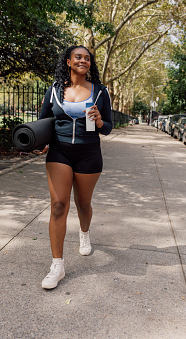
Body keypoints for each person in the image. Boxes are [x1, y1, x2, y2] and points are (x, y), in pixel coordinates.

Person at [38, 45, 113, 289]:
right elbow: (43, 120)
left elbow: (108, 127)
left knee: (83, 203)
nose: (83, 60)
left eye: (87, 58)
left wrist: (100, 120)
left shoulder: (100, 92)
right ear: (68, 62)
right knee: (59, 205)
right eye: (78, 57)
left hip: (89, 153)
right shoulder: (55, 90)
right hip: (59, 151)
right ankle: (57, 266)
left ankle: (84, 233)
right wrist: (38, 142)